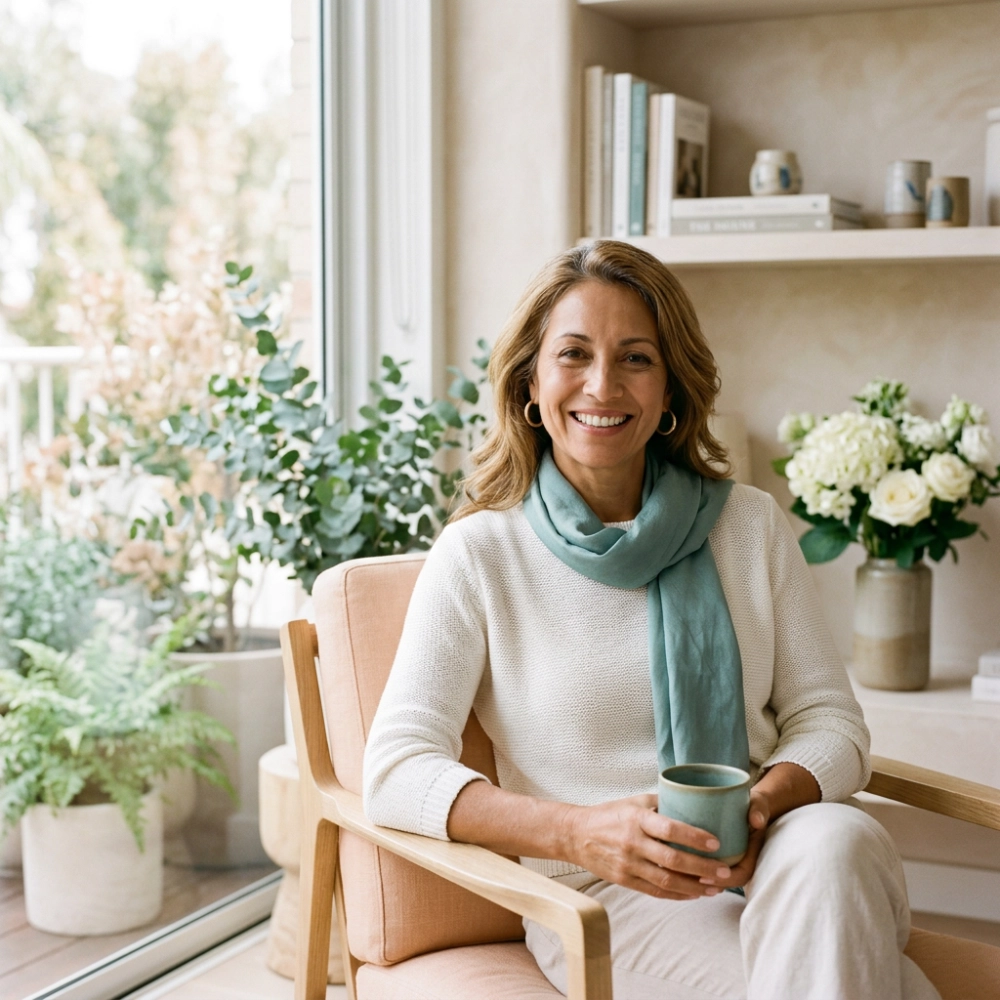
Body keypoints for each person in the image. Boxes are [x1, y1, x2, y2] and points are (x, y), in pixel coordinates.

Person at [363, 241, 940, 1000]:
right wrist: (577, 832)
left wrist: (760, 807)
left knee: (837, 837)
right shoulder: (481, 553)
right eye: (574, 354)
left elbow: (830, 722)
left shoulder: (749, 525)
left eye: (635, 358)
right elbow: (396, 769)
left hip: (781, 855)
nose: (602, 384)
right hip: (604, 897)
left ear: (670, 390)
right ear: (530, 383)